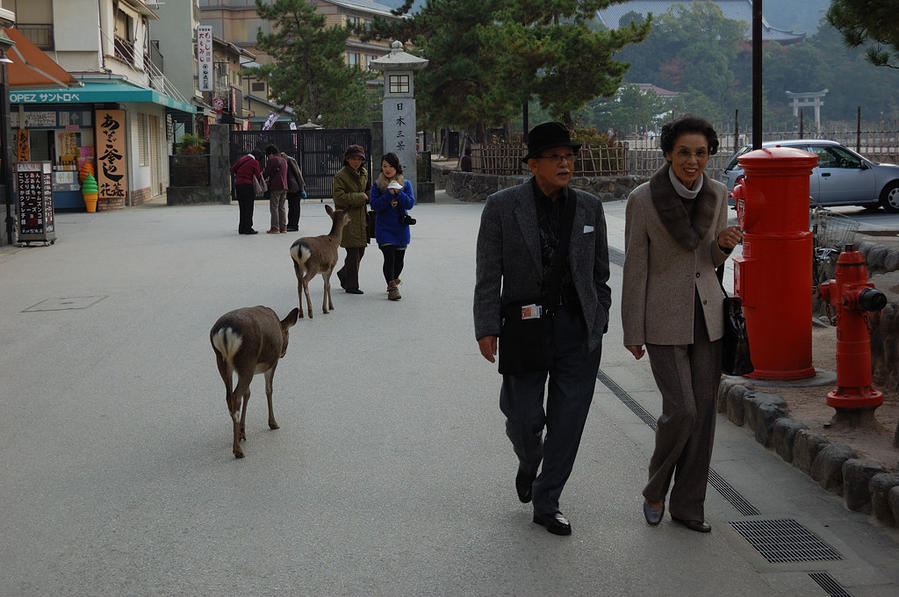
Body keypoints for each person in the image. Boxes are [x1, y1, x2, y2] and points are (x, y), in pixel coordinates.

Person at [473, 122, 611, 536]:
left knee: (568, 421)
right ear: (533, 164)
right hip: (523, 326)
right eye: (555, 157)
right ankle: (529, 460)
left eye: (569, 155)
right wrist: (485, 326)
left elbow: (600, 273)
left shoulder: (589, 207)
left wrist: (599, 315)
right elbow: (488, 273)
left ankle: (547, 500)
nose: (565, 162)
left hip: (577, 328)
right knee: (523, 417)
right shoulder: (501, 206)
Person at [621, 114, 743, 533]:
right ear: (669, 153)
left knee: (705, 414)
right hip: (661, 319)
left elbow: (706, 259)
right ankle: (656, 488)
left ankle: (689, 506)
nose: (693, 161)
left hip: (707, 317)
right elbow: (635, 268)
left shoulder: (718, 193)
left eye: (701, 153)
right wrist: (632, 331)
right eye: (684, 153)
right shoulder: (643, 198)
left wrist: (723, 248)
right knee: (683, 410)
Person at [369, 153, 415, 301]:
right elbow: (375, 205)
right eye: (384, 166)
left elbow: (410, 204)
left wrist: (399, 193)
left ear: (396, 168)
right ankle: (392, 288)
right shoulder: (377, 185)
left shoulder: (406, 184)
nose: (387, 169)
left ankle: (393, 279)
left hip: (401, 228)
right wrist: (389, 194)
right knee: (389, 258)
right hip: (384, 228)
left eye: (390, 166)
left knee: (399, 260)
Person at [333, 144, 369, 294]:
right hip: (347, 219)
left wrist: (368, 194)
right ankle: (352, 285)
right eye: (353, 158)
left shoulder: (363, 172)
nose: (356, 161)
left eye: (359, 159)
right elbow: (339, 198)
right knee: (353, 252)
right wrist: (362, 197)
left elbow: (366, 189)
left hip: (361, 217)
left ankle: (343, 274)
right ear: (347, 159)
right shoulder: (340, 176)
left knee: (360, 250)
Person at [229, 151, 261, 234]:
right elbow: (258, 175)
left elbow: (232, 169)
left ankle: (241, 228)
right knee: (249, 207)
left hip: (238, 185)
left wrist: (240, 174)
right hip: (247, 185)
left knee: (242, 207)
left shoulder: (242, 159)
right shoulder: (254, 162)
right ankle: (248, 228)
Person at [262, 144, 288, 234]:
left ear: (271, 153)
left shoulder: (272, 160)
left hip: (275, 186)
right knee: (282, 207)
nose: (268, 157)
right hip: (284, 186)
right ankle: (283, 228)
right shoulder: (284, 160)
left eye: (268, 155)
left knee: (274, 207)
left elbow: (266, 173)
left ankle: (275, 227)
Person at [282, 151, 306, 232]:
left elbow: (298, 174)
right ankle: (291, 224)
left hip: (295, 187)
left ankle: (294, 225)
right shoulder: (285, 160)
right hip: (290, 188)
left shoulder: (290, 160)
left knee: (295, 207)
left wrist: (302, 187)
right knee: (291, 206)